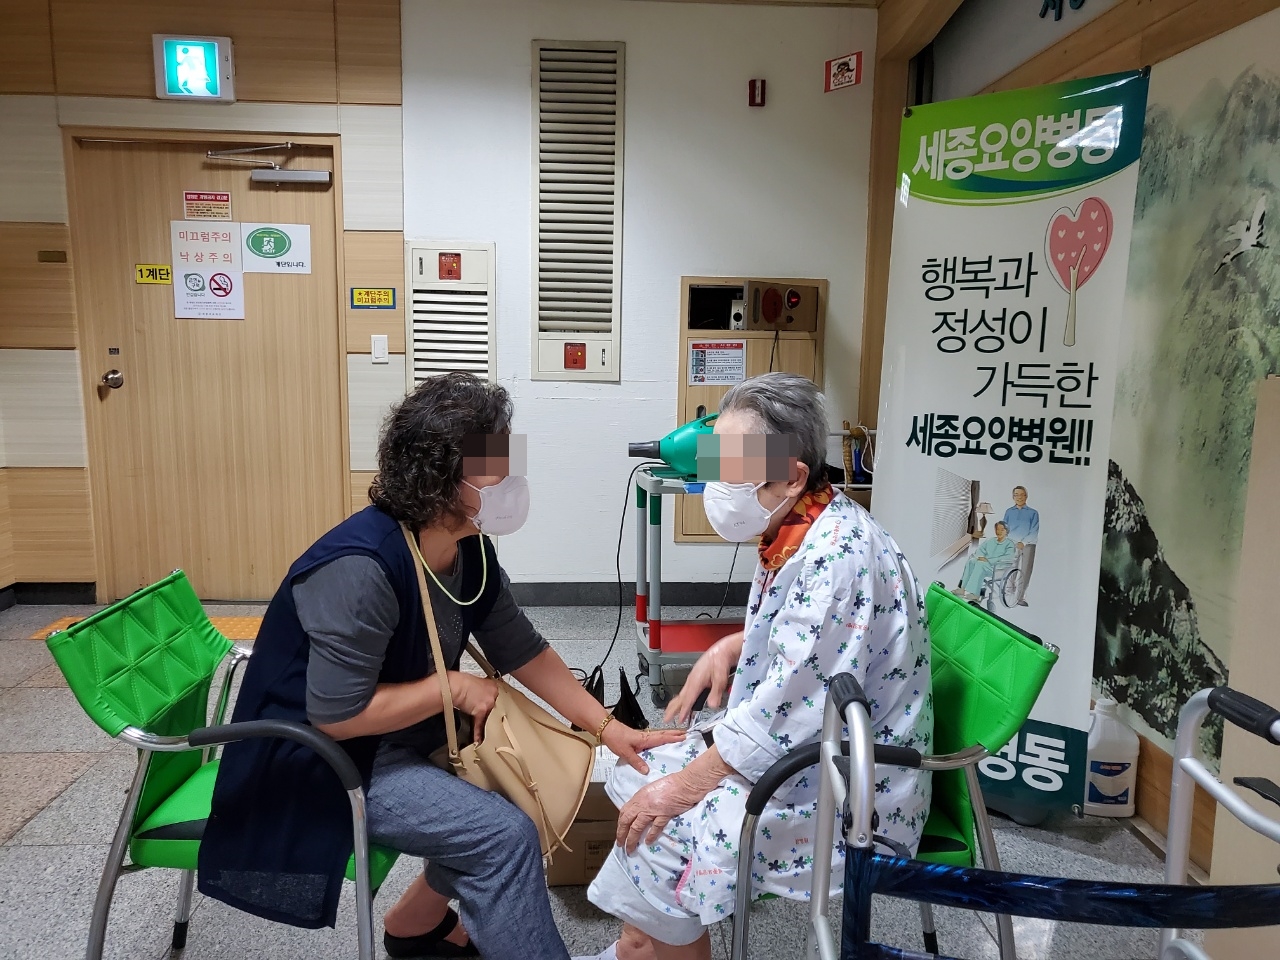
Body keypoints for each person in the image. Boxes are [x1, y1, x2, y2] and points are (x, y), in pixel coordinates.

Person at [198, 373, 682, 960]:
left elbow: (521, 649)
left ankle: (415, 926)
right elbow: (336, 716)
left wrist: (609, 728)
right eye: (493, 466)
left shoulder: (467, 549)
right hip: (325, 758)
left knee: (523, 784)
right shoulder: (360, 568)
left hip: (405, 734)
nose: (511, 480)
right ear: (437, 477)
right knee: (502, 836)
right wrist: (449, 687)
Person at [582, 372, 933, 960]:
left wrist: (683, 788)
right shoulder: (809, 519)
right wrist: (736, 644)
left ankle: (645, 948)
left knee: (660, 824)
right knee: (636, 770)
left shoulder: (835, 560)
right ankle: (640, 946)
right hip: (815, 743)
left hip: (846, 791)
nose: (716, 483)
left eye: (733, 467)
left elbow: (789, 712)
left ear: (792, 474)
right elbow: (820, 641)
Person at [954, 521, 1016, 601]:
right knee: (971, 561)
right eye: (997, 529)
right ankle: (962, 589)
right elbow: (980, 550)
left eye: (1002, 530)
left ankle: (975, 594)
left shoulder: (1009, 544)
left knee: (980, 565)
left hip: (998, 568)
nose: (999, 532)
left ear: (1006, 531)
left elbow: (1008, 557)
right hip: (984, 565)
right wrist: (980, 557)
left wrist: (988, 560)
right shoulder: (990, 541)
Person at [1002, 485, 1039, 606]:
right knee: (1011, 567)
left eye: (1022, 495)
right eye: (1016, 495)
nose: (1019, 497)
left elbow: (1034, 530)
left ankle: (1021, 596)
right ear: (1013, 497)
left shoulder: (1033, 513)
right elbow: (1004, 528)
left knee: (1026, 569)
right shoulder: (1009, 512)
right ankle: (1009, 591)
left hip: (1028, 544)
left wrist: (1023, 542)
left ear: (1026, 496)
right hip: (1012, 543)